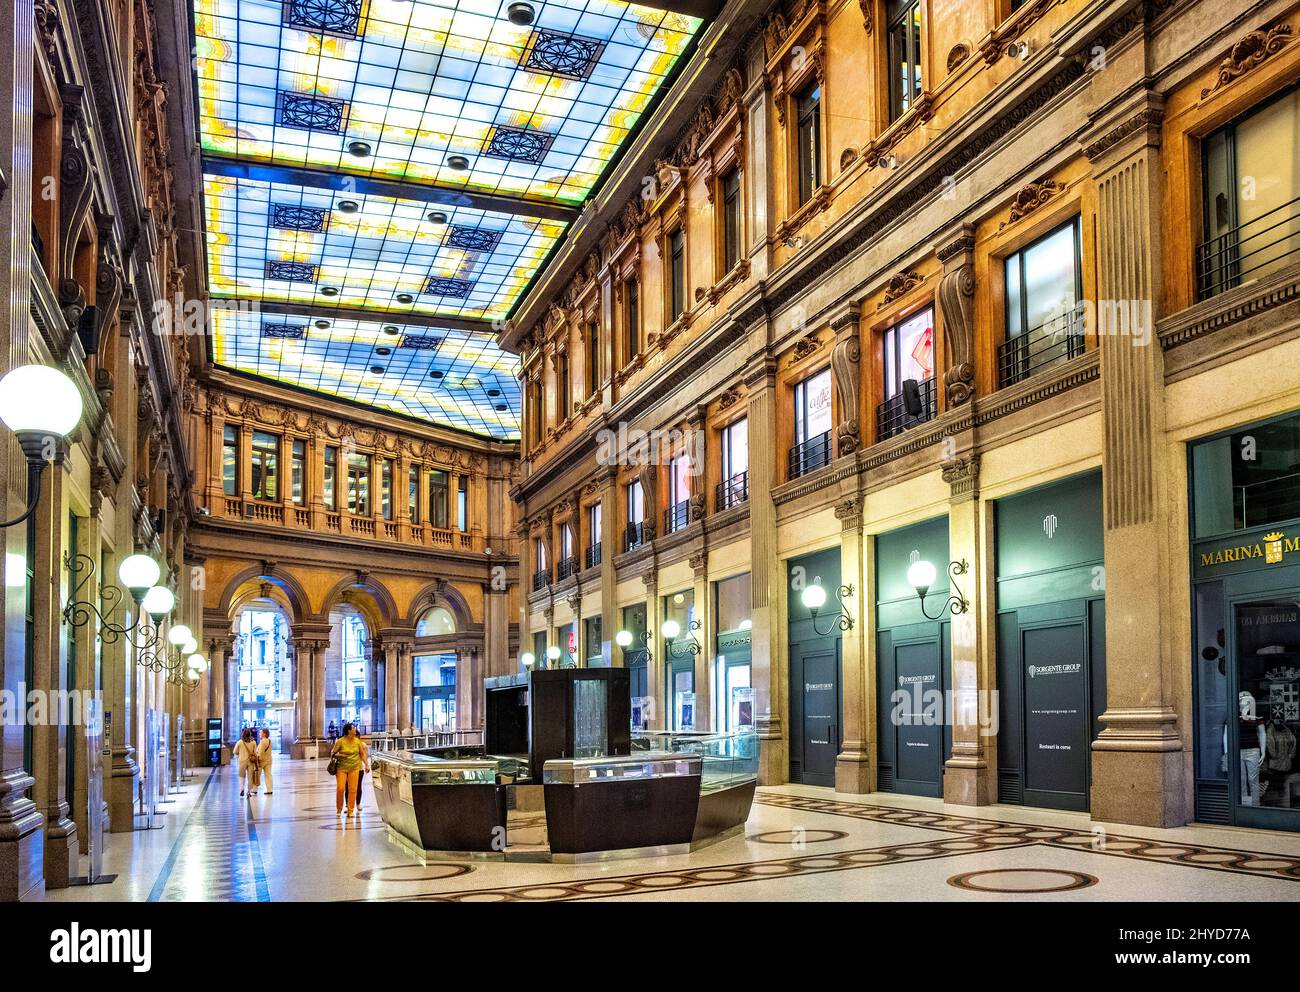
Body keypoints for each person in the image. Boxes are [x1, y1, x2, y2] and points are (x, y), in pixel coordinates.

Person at [329, 723, 369, 817]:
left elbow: (362, 754)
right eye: (353, 728)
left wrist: (366, 764)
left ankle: (350, 810)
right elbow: (333, 753)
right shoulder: (340, 741)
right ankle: (339, 809)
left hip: (354, 767)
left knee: (353, 789)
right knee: (341, 788)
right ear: (348, 731)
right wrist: (341, 755)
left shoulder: (357, 741)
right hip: (341, 768)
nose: (355, 729)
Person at [233, 729, 258, 799]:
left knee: (242, 776)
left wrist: (240, 753)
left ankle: (242, 789)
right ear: (250, 734)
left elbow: (234, 752)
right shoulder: (253, 742)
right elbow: (255, 753)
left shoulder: (240, 742)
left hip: (242, 761)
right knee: (250, 777)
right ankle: (249, 791)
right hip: (251, 762)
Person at [257, 728, 274, 795]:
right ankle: (269, 789)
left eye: (260, 732)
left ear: (264, 734)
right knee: (268, 775)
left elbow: (260, 752)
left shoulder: (263, 741)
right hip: (269, 760)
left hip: (261, 761)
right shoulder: (269, 741)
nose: (259, 734)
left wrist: (258, 760)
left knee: (257, 775)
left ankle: (254, 789)